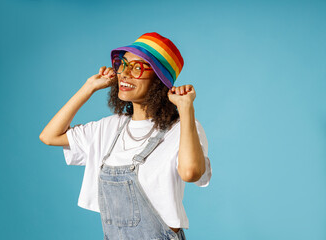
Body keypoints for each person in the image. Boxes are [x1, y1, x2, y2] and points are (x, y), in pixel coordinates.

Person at [39, 32, 212, 240]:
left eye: (137, 67)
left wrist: (186, 109)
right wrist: (89, 87)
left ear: (159, 79)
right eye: (122, 64)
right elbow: (49, 136)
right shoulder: (109, 128)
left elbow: (190, 172)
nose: (125, 73)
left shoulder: (183, 128)